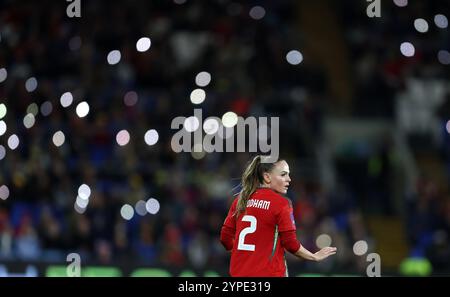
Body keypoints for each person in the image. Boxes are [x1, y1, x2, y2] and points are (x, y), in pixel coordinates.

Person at [220, 155, 337, 277]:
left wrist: (243, 254)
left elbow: (225, 237)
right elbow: (290, 244)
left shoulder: (240, 200)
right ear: (267, 177)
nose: (289, 179)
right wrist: (314, 256)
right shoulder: (281, 204)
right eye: (283, 175)